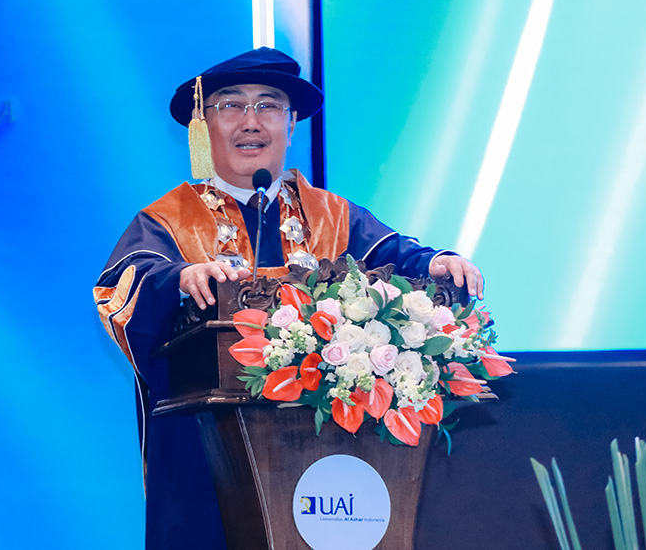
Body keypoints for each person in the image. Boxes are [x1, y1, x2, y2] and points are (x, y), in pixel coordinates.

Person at [93, 47, 483, 549]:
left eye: (268, 105)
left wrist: (437, 263)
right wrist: (180, 278)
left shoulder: (333, 216)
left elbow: (398, 256)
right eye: (231, 105)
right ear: (203, 125)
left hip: (331, 457)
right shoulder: (169, 219)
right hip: (205, 455)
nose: (250, 121)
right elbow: (124, 285)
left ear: (292, 123)